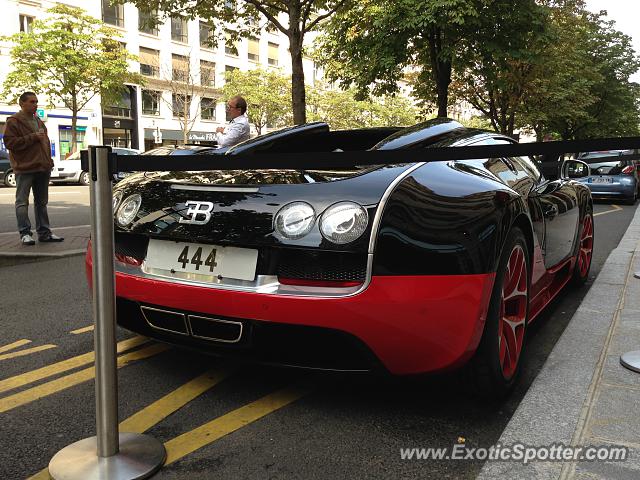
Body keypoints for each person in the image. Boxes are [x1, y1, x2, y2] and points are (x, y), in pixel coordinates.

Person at [4, 91, 63, 245]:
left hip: (42, 167)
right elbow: (10, 144)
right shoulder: (14, 121)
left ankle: (44, 232)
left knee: (41, 202)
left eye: (36, 101)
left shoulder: (38, 121)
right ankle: (25, 233)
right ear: (22, 103)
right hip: (25, 168)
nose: (35, 104)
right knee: (22, 202)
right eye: (32, 102)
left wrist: (49, 161)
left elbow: (44, 142)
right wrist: (32, 137)